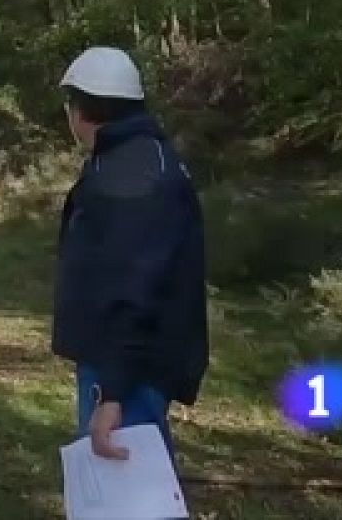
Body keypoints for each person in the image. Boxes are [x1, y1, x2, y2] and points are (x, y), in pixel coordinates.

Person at [52, 47, 208, 467]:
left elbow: (134, 290)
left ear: (80, 110)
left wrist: (113, 394)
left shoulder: (128, 175)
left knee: (126, 493)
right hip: (132, 363)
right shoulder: (141, 158)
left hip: (124, 369)